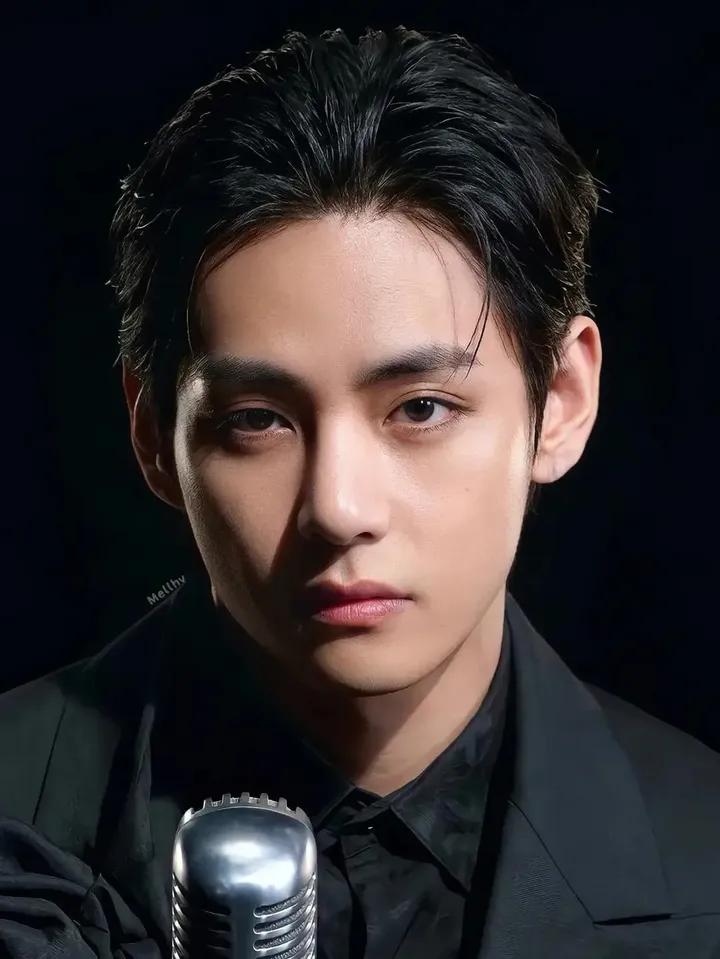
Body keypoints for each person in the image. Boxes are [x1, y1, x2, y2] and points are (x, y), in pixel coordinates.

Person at [1, 24, 719, 959]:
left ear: (564, 401)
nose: (339, 508)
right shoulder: (21, 808)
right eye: (258, 420)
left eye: (421, 408)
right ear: (153, 435)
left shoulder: (703, 856)